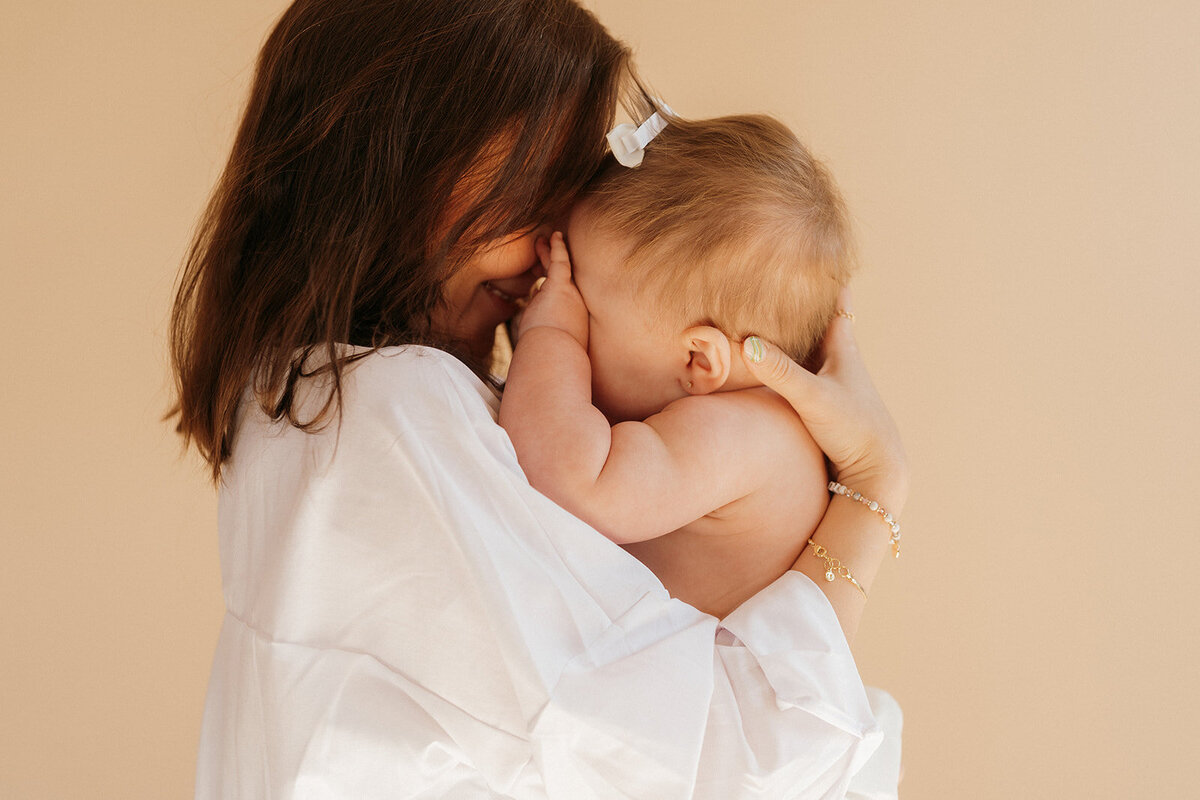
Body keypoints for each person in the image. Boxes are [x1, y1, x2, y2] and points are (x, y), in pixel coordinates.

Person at [169, 0, 908, 796]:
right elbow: (742, 768)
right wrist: (873, 490)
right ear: (411, 168)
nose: (552, 260)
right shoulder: (386, 412)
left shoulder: (305, 399)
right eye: (535, 194)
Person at [500, 113, 865, 620]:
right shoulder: (755, 419)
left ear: (697, 360)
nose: (553, 299)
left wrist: (552, 335)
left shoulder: (738, 434)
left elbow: (574, 481)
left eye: (580, 299)